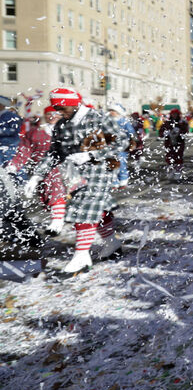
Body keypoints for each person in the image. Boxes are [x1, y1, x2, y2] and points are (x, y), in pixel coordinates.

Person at [24, 87, 127, 273]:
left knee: (83, 209)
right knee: (98, 208)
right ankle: (111, 243)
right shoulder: (62, 124)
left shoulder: (98, 118)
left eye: (62, 108)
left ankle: (81, 256)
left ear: (73, 104)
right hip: (75, 175)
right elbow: (54, 152)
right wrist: (37, 175)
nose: (58, 113)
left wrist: (92, 155)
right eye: (56, 109)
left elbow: (122, 141)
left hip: (100, 170)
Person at [7, 102, 68, 234]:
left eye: (55, 114)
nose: (52, 116)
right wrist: (14, 165)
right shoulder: (36, 132)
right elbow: (24, 150)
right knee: (47, 194)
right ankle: (59, 216)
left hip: (62, 167)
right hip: (40, 169)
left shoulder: (67, 129)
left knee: (56, 191)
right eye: (49, 114)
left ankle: (57, 222)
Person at [108, 103, 135, 188]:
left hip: (122, 146)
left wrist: (132, 141)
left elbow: (131, 132)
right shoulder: (108, 121)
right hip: (111, 146)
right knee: (112, 164)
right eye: (110, 111)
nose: (111, 112)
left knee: (122, 163)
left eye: (113, 111)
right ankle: (114, 182)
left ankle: (123, 180)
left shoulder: (124, 121)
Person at [159, 108, 189, 177]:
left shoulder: (182, 122)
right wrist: (166, 133)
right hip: (169, 143)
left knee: (178, 157)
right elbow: (161, 131)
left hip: (179, 142)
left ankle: (178, 172)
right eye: (173, 114)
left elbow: (186, 131)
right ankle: (171, 171)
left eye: (176, 114)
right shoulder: (167, 122)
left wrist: (179, 132)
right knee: (169, 157)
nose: (174, 115)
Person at [0, 94, 22, 166]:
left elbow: (15, 130)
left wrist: (2, 131)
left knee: (10, 165)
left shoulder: (12, 116)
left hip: (10, 145)